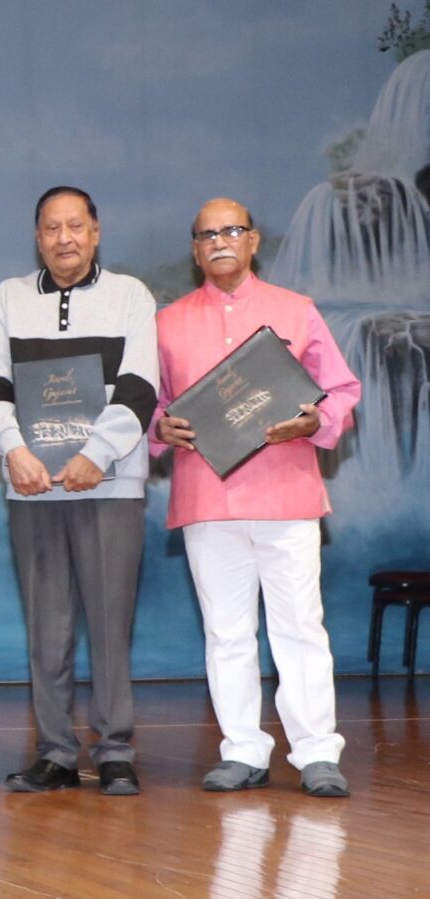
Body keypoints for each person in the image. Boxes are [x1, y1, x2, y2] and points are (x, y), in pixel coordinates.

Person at [152, 198, 363, 798]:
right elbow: (154, 405)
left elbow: (342, 390)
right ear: (194, 250)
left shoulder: (296, 311)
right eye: (206, 234)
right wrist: (159, 428)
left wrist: (313, 422)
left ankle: (318, 754)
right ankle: (243, 751)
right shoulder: (166, 323)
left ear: (253, 241)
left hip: (286, 496)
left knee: (300, 627)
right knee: (226, 633)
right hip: (207, 499)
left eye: (232, 230)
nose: (220, 240)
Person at [0, 186, 158, 795]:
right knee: (46, 627)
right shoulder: (8, 297)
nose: (64, 239)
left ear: (96, 231)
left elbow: (139, 386)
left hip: (110, 484)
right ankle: (55, 751)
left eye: (75, 226)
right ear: (38, 237)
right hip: (33, 487)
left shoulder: (131, 296)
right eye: (52, 228)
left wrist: (95, 455)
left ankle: (114, 752)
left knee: (111, 623)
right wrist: (15, 452)